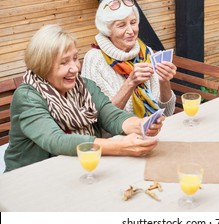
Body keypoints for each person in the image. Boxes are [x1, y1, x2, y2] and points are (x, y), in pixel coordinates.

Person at [4, 24, 164, 172]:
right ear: (43, 66)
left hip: (79, 168)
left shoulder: (84, 85)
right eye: (64, 63)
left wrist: (140, 124)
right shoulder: (27, 96)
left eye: (75, 58)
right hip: (32, 175)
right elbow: (56, 140)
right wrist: (117, 146)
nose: (74, 68)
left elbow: (111, 115)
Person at [81, 0, 176, 118]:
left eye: (133, 22)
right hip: (117, 136)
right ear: (107, 30)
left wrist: (164, 82)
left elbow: (167, 112)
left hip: (152, 129)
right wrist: (131, 83)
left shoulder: (145, 52)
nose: (131, 31)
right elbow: (101, 119)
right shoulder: (95, 60)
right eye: (121, 25)